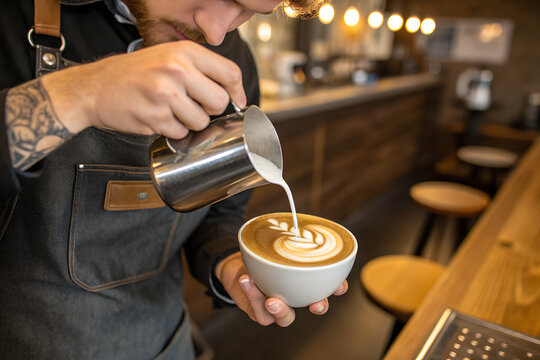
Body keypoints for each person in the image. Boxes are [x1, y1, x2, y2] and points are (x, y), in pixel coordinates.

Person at [0, 0, 349, 359]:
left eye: (248, 11)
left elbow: (219, 212)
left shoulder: (232, 55)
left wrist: (233, 265)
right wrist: (82, 94)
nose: (215, 31)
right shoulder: (16, 14)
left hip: (165, 344)